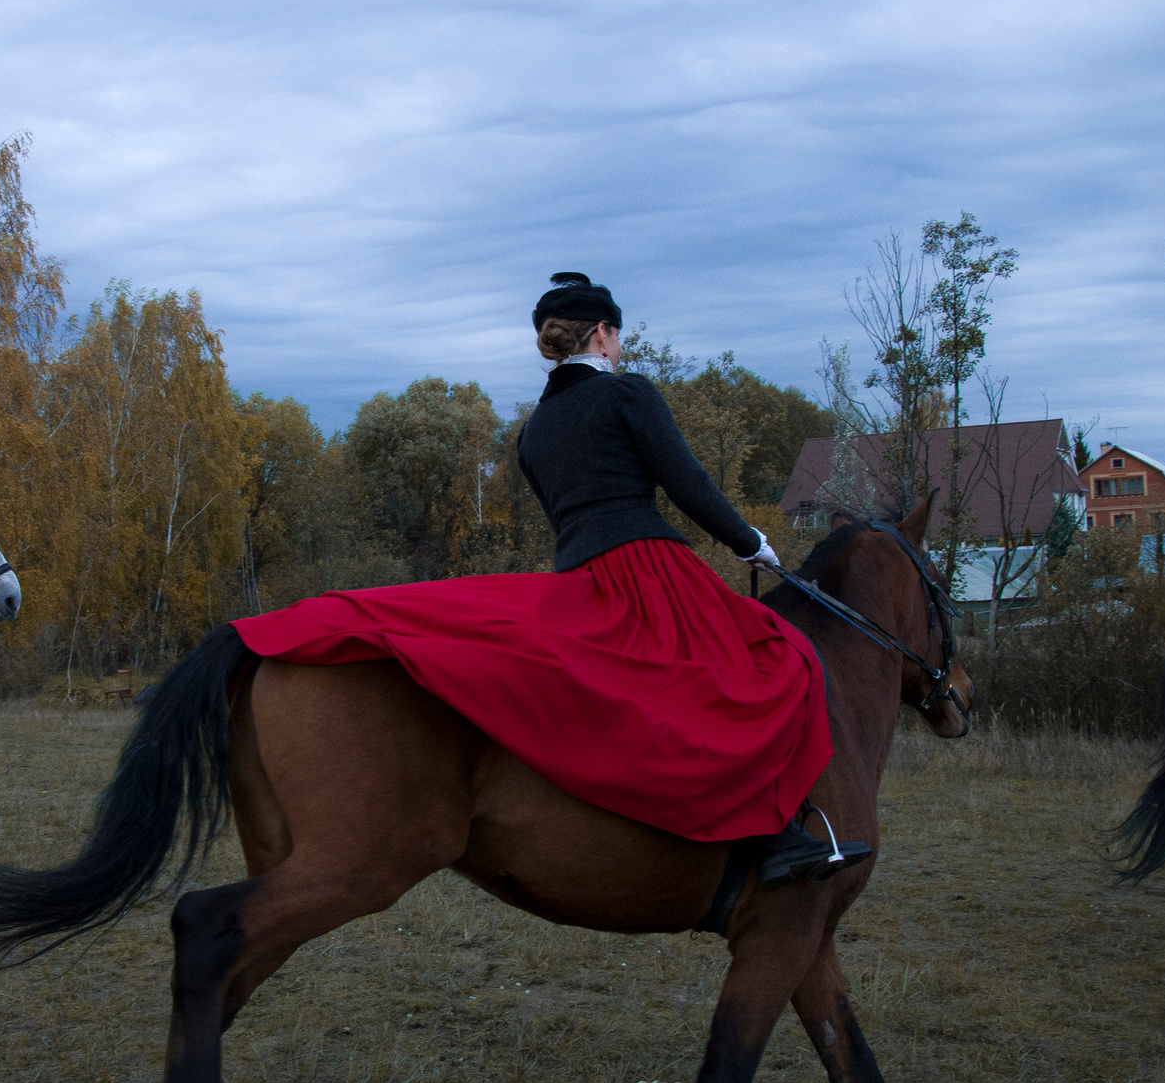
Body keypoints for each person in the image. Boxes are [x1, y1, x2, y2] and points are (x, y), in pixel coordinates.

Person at [230, 273, 844, 885]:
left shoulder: (534, 430)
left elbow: (566, 514)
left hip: (580, 578)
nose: (620, 346)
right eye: (617, 335)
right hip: (648, 569)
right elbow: (689, 486)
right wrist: (752, 544)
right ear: (602, 335)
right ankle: (782, 839)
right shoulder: (628, 395)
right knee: (773, 665)